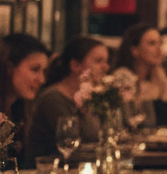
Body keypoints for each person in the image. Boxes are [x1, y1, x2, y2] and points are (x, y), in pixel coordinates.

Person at [23, 36, 109, 165]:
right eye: (98, 61)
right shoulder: (53, 98)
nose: (106, 67)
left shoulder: (88, 96)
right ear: (75, 65)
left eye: (106, 61)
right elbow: (73, 147)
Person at [0, 32, 50, 155]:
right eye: (35, 69)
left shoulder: (19, 107)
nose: (42, 79)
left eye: (44, 71)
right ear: (9, 67)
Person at [115, 22, 167, 127]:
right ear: (135, 50)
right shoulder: (123, 76)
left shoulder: (158, 76)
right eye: (152, 43)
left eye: (160, 43)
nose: (159, 49)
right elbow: (131, 119)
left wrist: (162, 81)